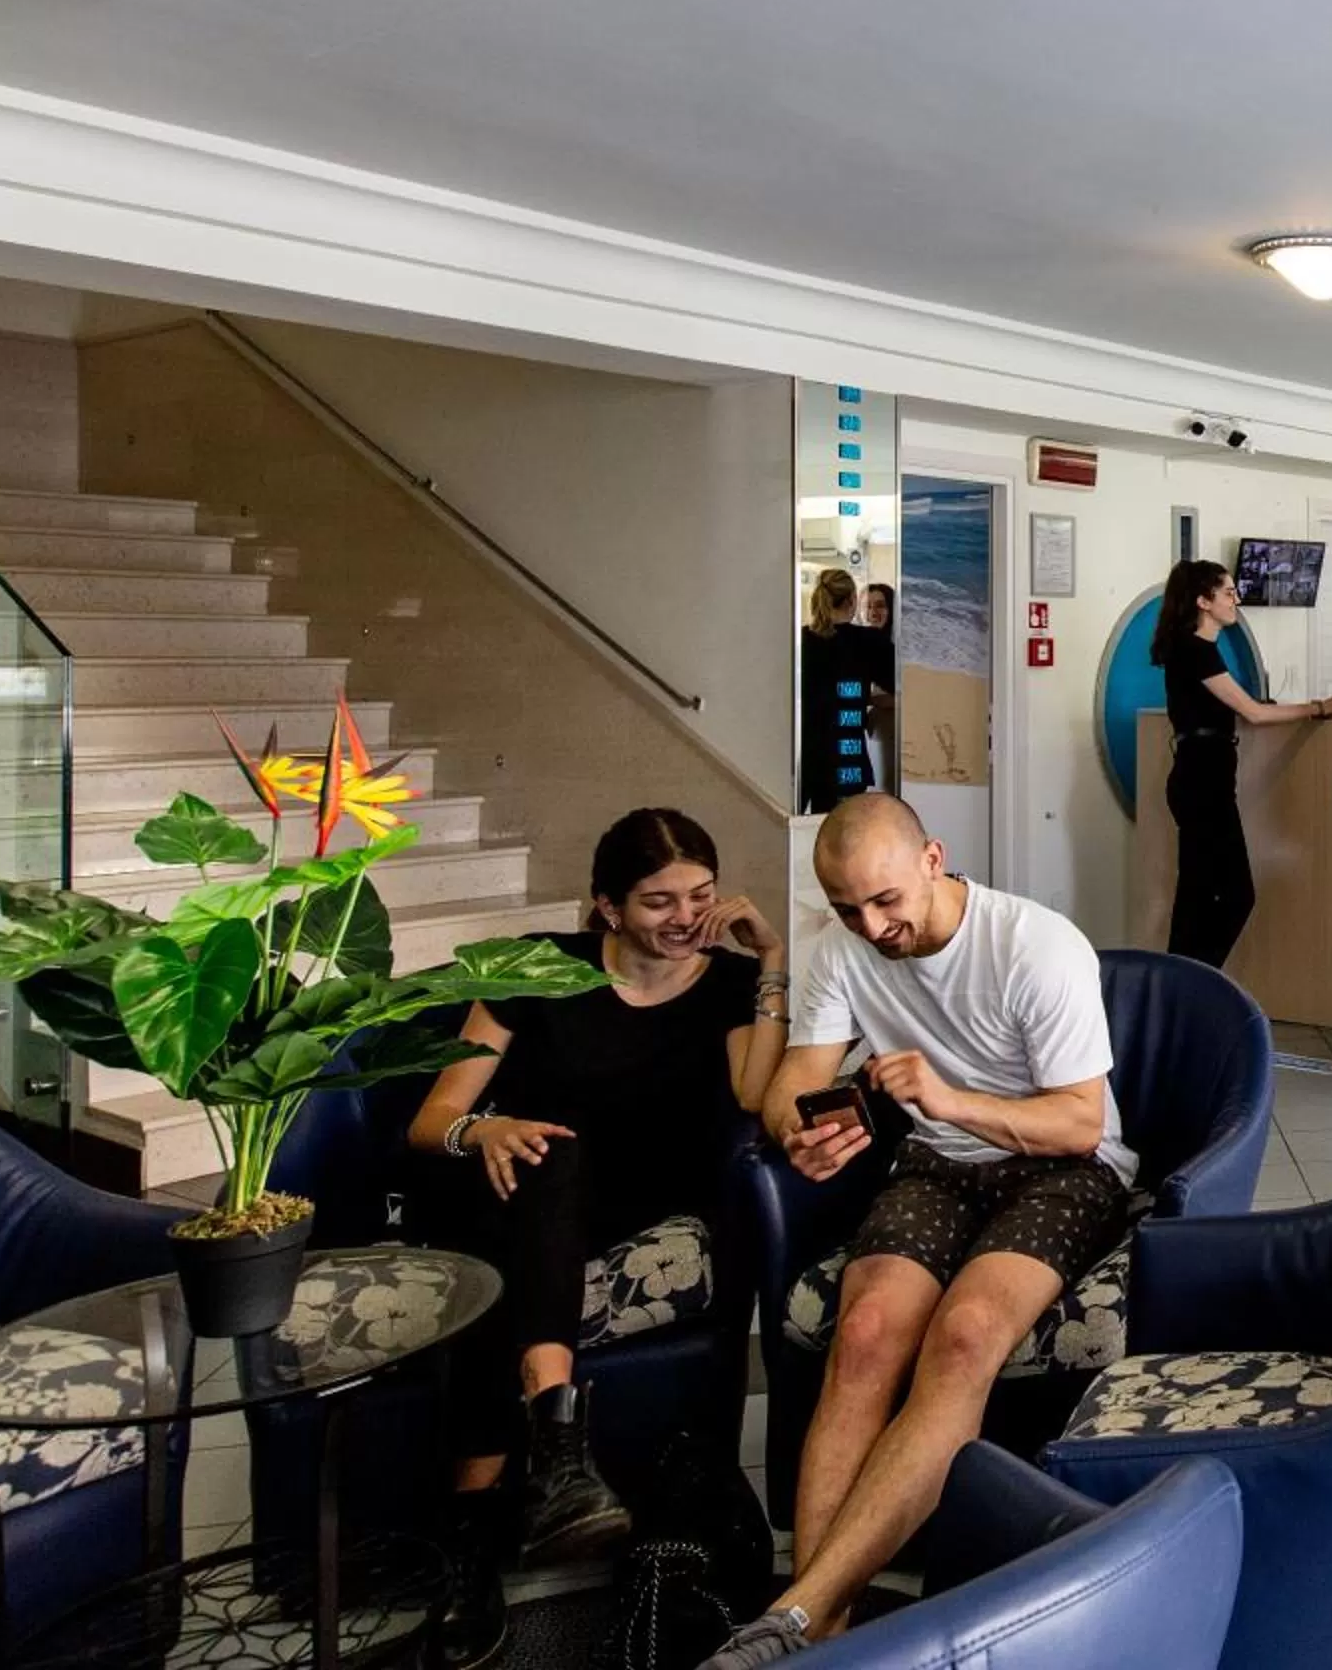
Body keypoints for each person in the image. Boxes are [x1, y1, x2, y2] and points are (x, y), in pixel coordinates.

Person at [704, 796, 1135, 1668]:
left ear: (933, 859)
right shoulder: (841, 952)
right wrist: (804, 1132)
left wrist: (944, 1099)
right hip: (938, 1166)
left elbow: (1079, 1126)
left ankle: (792, 1618)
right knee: (862, 1334)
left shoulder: (1037, 946)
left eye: (887, 900)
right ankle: (818, 1623)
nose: (874, 926)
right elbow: (794, 1081)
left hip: (1063, 1168)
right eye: (848, 909)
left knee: (967, 1333)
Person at [406, 809, 789, 1664]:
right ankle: (554, 1451)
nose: (686, 917)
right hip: (521, 1183)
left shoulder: (728, 984)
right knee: (551, 1157)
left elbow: (759, 1094)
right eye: (659, 901)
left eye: (700, 894)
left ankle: (471, 1535)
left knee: (502, 1275)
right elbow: (434, 1119)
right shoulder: (538, 970)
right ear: (608, 908)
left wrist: (771, 961)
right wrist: (487, 1133)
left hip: (641, 1208)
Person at [1150, 559, 1332, 967]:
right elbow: (1254, 713)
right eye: (1227, 592)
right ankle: (1199, 981)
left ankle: (1182, 986)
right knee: (1236, 895)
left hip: (1202, 780)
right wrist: (1318, 707)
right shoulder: (1196, 650)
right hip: (1202, 785)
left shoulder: (1197, 650)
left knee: (1197, 895)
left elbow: (1230, 707)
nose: (1235, 599)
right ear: (1203, 601)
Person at [800, 569, 896, 812]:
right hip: (848, 759)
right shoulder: (868, 641)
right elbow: (901, 689)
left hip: (810, 759)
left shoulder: (804, 640)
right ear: (853, 600)